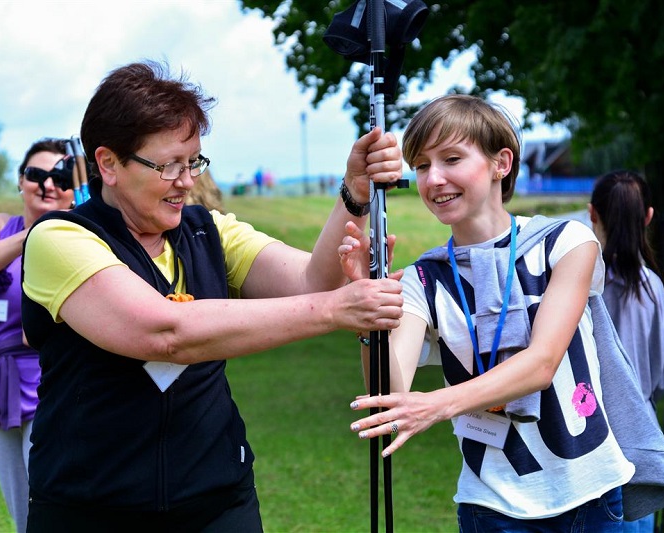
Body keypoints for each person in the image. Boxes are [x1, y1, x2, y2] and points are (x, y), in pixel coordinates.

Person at [20, 60, 404, 531]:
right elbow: (164, 332)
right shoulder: (58, 239)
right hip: (90, 509)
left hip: (218, 502)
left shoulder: (209, 231)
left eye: (193, 161)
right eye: (169, 166)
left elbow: (310, 282)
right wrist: (336, 310)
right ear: (108, 164)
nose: (187, 181)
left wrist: (354, 194)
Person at [341, 94, 664, 531]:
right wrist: (370, 308)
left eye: (451, 158)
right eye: (422, 165)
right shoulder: (425, 277)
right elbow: (388, 391)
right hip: (492, 508)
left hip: (592, 498)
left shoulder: (566, 242)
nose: (434, 179)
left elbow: (542, 363)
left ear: (501, 162)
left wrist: (436, 405)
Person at [0, 138, 75, 533]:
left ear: (75, 187)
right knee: (18, 505)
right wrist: (29, 235)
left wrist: (50, 231)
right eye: (35, 174)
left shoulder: (79, 236)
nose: (47, 184)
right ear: (21, 181)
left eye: (59, 176)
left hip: (47, 379)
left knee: (48, 496)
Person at [588, 170, 664, 532]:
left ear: (592, 214)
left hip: (590, 443)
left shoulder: (580, 283)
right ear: (649, 217)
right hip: (639, 443)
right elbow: (663, 375)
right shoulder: (653, 287)